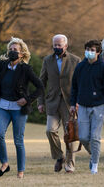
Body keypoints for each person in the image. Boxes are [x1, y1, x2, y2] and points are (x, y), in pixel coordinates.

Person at [0, 37, 44, 178]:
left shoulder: (26, 69)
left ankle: (20, 171)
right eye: (10, 50)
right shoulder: (2, 65)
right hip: (3, 107)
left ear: (21, 54)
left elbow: (40, 87)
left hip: (19, 109)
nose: (12, 52)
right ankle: (5, 164)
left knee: (18, 141)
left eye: (15, 50)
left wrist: (27, 99)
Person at [70, 40, 104, 174]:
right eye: (87, 49)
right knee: (84, 137)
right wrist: (73, 104)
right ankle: (94, 154)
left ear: (98, 52)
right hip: (83, 106)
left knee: (95, 137)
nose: (89, 52)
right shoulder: (80, 67)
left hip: (99, 106)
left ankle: (95, 165)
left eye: (92, 50)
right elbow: (74, 86)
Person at [37, 34, 81, 173]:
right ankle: (59, 157)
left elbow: (80, 83)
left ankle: (70, 164)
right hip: (52, 102)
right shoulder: (47, 60)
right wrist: (40, 102)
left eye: (59, 45)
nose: (56, 47)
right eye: (54, 45)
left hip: (70, 103)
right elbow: (41, 82)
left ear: (65, 46)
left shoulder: (76, 60)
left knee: (71, 135)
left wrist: (78, 101)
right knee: (50, 130)